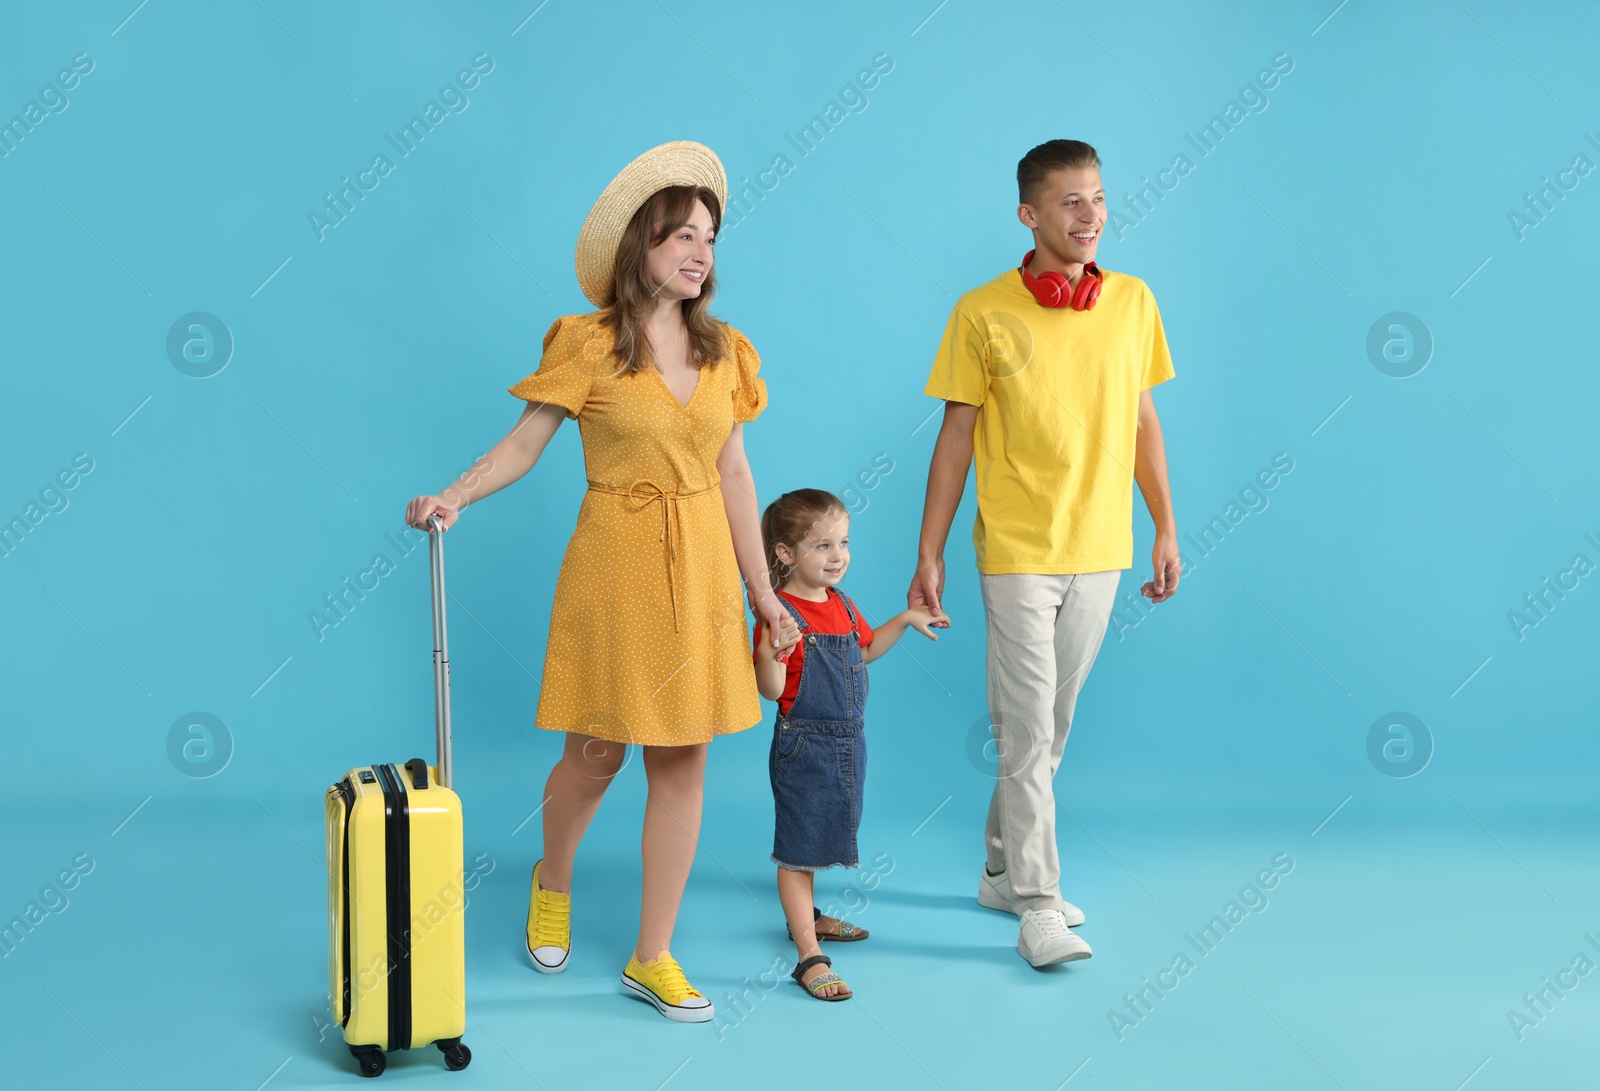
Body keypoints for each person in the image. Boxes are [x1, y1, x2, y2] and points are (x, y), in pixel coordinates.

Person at [404, 140, 788, 1023]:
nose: (701, 252)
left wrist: (763, 592)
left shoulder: (727, 350)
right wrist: (455, 494)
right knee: (595, 754)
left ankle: (652, 955)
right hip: (614, 565)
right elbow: (522, 445)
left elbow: (735, 475)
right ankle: (555, 878)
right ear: (638, 246)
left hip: (698, 570)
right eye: (681, 235)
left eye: (711, 237)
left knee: (683, 761)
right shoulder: (587, 343)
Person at [908, 139, 1179, 968]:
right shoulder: (981, 311)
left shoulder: (1133, 302)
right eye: (1070, 201)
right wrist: (931, 551)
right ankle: (1036, 905)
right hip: (1017, 551)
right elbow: (955, 436)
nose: (1089, 214)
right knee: (1025, 730)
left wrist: (1165, 525)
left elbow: (1142, 422)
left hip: (1103, 547)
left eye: (1097, 198)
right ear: (1030, 215)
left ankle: (997, 868)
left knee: (1049, 730)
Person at [752, 489, 947, 1000]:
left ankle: (808, 918)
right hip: (803, 745)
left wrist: (905, 619)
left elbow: (863, 652)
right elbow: (771, 690)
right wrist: (775, 651)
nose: (838, 555)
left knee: (825, 837)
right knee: (798, 851)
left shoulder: (839, 603)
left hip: (848, 745)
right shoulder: (781, 613)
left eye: (843, 542)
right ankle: (808, 954)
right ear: (785, 553)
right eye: (822, 546)